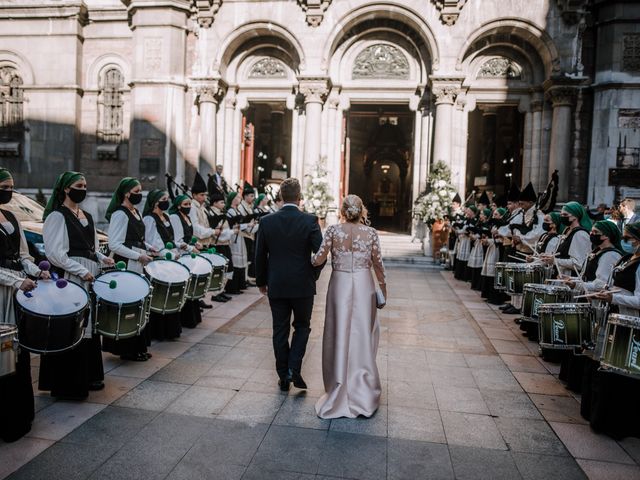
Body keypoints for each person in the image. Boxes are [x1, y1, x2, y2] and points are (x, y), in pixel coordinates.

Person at [40, 171, 114, 398]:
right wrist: (81, 270)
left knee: (88, 326)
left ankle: (89, 375)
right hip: (70, 278)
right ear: (65, 188)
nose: (83, 188)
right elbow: (55, 254)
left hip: (89, 275)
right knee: (70, 327)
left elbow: (91, 248)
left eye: (85, 184)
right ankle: (67, 384)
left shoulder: (88, 216)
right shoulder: (57, 216)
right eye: (79, 185)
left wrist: (103, 259)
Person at [311, 195, 386, 419]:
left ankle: (338, 386)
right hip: (364, 285)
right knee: (362, 333)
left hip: (340, 285)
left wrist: (308, 258)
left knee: (339, 333)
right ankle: (362, 388)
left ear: (342, 211)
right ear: (362, 210)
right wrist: (383, 287)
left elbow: (318, 260)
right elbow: (378, 263)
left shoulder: (333, 231)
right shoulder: (371, 233)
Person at [254, 177, 324, 391]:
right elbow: (321, 254)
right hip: (303, 284)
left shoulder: (267, 221)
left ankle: (284, 375)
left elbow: (259, 256)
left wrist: (261, 282)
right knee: (302, 327)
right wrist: (313, 274)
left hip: (277, 283)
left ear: (281, 197)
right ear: (300, 197)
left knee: (280, 330)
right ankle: (293, 368)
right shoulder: (310, 221)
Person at [586, 222, 640, 439]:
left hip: (631, 322)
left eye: (629, 238)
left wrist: (613, 297)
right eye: (624, 238)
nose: (625, 242)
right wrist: (605, 292)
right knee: (609, 369)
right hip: (616, 316)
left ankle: (621, 425)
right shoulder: (628, 258)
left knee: (624, 374)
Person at [557, 220, 623, 392]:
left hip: (595, 305)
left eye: (595, 232)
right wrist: (574, 281)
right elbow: (587, 278)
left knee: (588, 344)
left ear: (606, 235)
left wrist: (578, 284)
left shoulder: (610, 255)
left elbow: (601, 284)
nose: (591, 234)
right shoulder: (597, 251)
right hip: (586, 299)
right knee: (580, 341)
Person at [0, 167, 41, 442]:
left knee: (18, 351)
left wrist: (36, 271)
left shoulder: (12, 216)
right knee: (2, 354)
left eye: (11, 186)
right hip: (2, 291)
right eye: (4, 186)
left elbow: (23, 255)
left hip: (17, 289)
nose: (9, 191)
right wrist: (15, 281)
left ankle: (20, 414)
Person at [104, 177, 153, 361]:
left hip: (139, 262)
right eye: (137, 191)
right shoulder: (120, 214)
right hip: (126, 263)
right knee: (126, 306)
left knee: (138, 303)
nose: (140, 195)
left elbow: (137, 238)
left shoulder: (136, 212)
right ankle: (126, 349)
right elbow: (115, 244)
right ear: (126, 193)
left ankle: (137, 346)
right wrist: (137, 255)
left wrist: (148, 247)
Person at [142, 189, 183, 340]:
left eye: (167, 198)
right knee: (160, 295)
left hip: (170, 257)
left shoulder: (166, 216)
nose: (166, 201)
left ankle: (170, 329)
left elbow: (170, 239)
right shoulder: (149, 218)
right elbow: (154, 242)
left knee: (170, 294)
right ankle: (159, 331)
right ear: (155, 202)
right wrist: (170, 254)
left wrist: (179, 247)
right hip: (159, 260)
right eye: (163, 199)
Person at [169, 194, 203, 328]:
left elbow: (189, 236)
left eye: (189, 204)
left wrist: (196, 244)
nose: (188, 207)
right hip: (181, 254)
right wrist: (190, 248)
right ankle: (185, 318)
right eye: (185, 205)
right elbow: (177, 240)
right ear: (178, 206)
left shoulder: (187, 217)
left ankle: (193, 316)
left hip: (189, 254)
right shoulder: (175, 217)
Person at [541, 202, 591, 277]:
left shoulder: (580, 234)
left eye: (565, 215)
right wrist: (549, 257)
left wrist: (555, 260)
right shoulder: (567, 231)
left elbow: (578, 263)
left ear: (575, 216)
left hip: (571, 280)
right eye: (561, 214)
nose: (562, 217)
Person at [189, 172, 217, 308]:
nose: (204, 197)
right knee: (195, 274)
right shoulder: (192, 208)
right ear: (194, 195)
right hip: (197, 245)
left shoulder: (202, 207)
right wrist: (212, 231)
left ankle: (199, 298)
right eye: (202, 195)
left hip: (205, 243)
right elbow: (196, 229)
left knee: (202, 274)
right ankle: (195, 300)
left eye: (205, 195)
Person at [226, 191, 254, 293]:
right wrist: (247, 225)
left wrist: (247, 224)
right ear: (232, 199)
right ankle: (232, 287)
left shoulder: (236, 210)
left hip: (239, 236)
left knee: (241, 261)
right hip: (234, 237)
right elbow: (233, 225)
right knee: (235, 261)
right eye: (237, 197)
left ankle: (239, 285)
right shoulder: (230, 211)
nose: (239, 199)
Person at [238, 182, 258, 283]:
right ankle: (244, 279)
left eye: (253, 196)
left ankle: (246, 278)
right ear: (245, 196)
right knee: (244, 259)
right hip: (244, 234)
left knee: (248, 258)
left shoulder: (250, 207)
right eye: (251, 196)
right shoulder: (241, 207)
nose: (253, 198)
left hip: (251, 234)